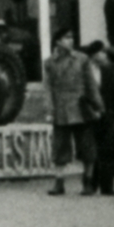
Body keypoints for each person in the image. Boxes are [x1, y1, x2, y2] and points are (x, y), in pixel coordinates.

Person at [43, 29, 101, 196]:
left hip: (81, 107)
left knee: (87, 146)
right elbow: (47, 89)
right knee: (60, 146)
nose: (70, 40)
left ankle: (88, 181)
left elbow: (91, 85)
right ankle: (59, 182)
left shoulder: (82, 59)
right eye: (66, 38)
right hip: (60, 108)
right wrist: (49, 110)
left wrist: (98, 106)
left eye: (72, 37)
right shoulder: (49, 62)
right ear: (57, 42)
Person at [83, 41, 114, 195]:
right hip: (89, 116)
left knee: (107, 151)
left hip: (107, 115)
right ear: (94, 54)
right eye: (102, 52)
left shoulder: (109, 71)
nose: (105, 55)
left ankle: (107, 187)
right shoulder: (84, 70)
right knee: (91, 152)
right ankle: (91, 184)